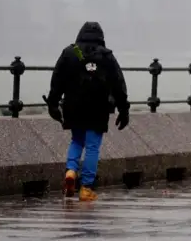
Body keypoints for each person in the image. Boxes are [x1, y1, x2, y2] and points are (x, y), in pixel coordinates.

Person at [44, 21, 130, 201]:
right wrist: (123, 109)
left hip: (73, 106)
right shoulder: (106, 56)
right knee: (92, 146)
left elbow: (57, 78)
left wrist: (53, 103)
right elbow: (118, 84)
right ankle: (86, 187)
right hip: (98, 107)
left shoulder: (70, 52)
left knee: (76, 140)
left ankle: (70, 172)